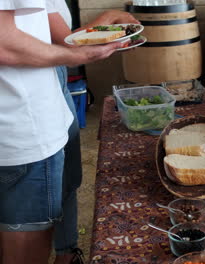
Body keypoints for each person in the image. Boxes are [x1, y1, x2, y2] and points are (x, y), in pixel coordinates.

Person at [0, 1, 123, 264]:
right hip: (21, 126)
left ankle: (67, 253)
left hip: (27, 117)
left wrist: (105, 24)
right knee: (25, 247)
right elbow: (4, 43)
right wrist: (81, 58)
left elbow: (63, 37)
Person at [45, 2, 139, 263]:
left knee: (69, 177)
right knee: (54, 186)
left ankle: (67, 251)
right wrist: (106, 19)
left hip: (55, 82)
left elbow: (61, 38)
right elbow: (70, 44)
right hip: (41, 93)